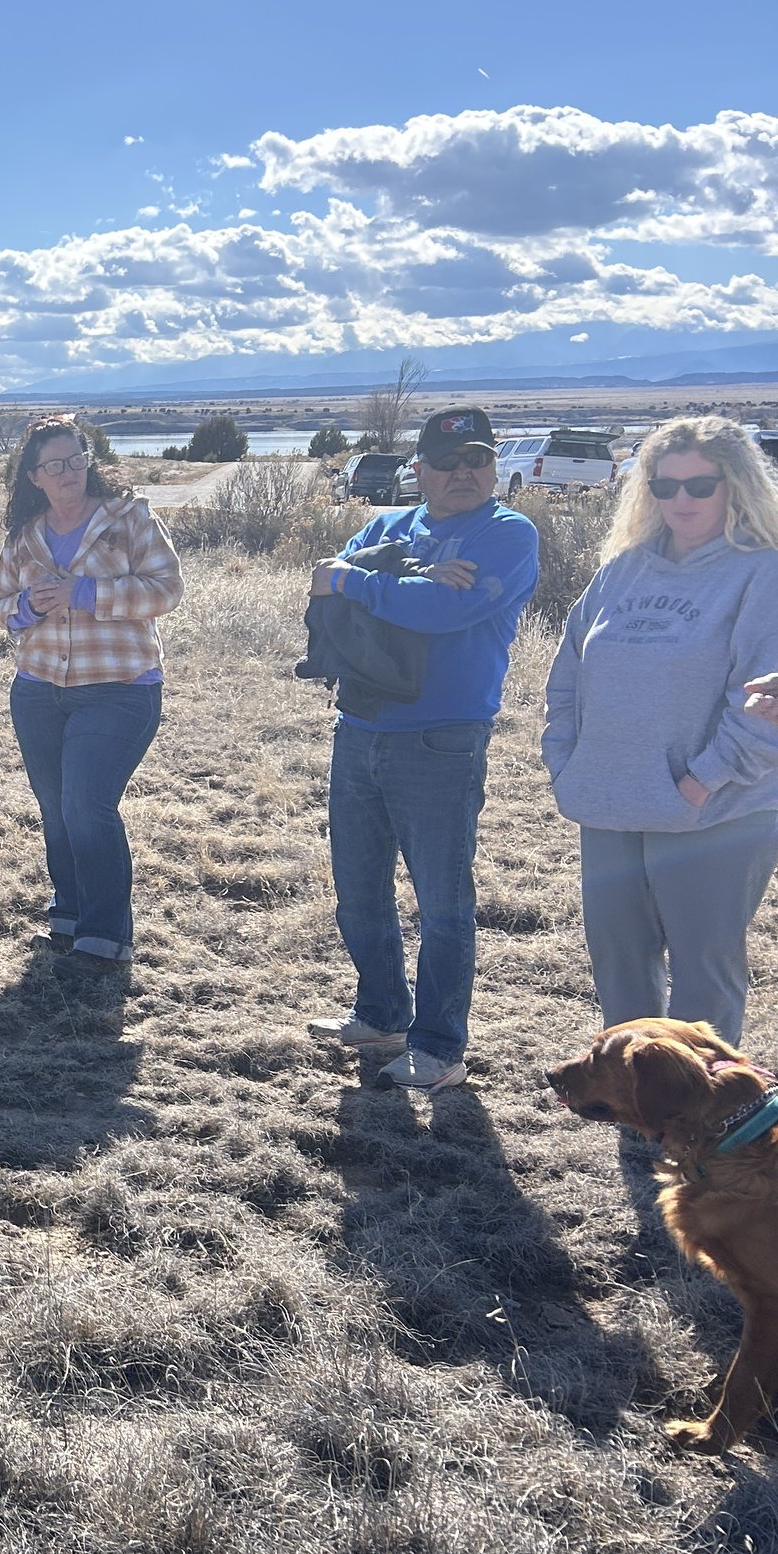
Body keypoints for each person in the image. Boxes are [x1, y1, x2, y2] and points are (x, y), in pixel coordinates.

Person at [545, 417, 778, 1043]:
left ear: (738, 486)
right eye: (664, 486)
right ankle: (637, 1109)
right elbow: (567, 677)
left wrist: (699, 783)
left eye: (700, 485)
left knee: (703, 976)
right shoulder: (623, 571)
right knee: (620, 970)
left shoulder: (769, 575)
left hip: (716, 814)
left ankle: (705, 1126)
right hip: (610, 803)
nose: (681, 501)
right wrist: (567, 762)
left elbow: (769, 704)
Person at [305, 406, 539, 1091]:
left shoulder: (507, 533)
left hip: (443, 738)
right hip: (362, 728)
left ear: (494, 468)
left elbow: (444, 611)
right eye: (447, 462)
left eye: (477, 459)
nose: (463, 472)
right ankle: (381, 1013)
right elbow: (323, 580)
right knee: (358, 890)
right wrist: (396, 578)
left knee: (441, 903)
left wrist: (363, 581)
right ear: (420, 471)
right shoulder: (391, 526)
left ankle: (439, 1047)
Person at [0, 415, 182, 972]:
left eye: (76, 459)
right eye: (55, 465)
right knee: (55, 809)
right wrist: (28, 607)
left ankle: (105, 937)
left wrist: (87, 592)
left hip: (119, 689)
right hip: (37, 690)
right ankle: (68, 914)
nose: (69, 472)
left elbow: (168, 589)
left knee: (86, 805)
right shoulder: (25, 536)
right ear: (34, 477)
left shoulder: (129, 519)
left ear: (89, 461)